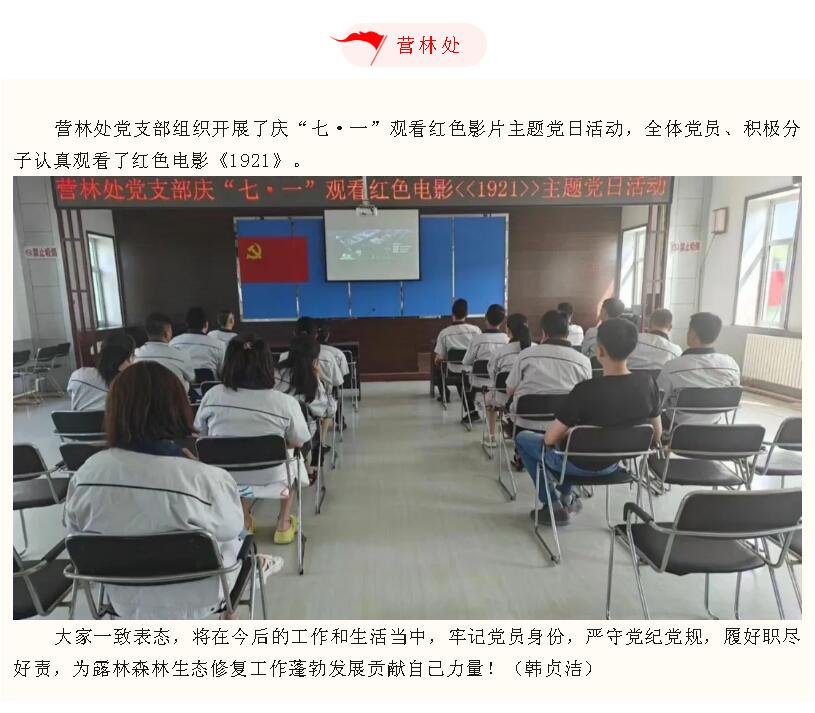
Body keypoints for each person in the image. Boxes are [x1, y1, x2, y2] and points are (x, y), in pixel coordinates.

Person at [64, 361, 281, 619]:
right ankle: (242, 593)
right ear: (176, 409)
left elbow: (75, 533)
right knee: (236, 538)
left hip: (124, 599)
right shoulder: (204, 478)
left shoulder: (86, 475)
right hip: (202, 598)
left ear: (114, 411)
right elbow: (232, 527)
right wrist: (196, 468)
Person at [516, 318, 662, 526]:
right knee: (574, 441)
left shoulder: (585, 390)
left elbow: (549, 439)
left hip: (575, 465)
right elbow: (656, 434)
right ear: (632, 350)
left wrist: (570, 434)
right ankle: (567, 498)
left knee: (524, 439)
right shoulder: (648, 384)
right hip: (614, 464)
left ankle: (553, 504)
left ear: (600, 351)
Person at [195, 334, 312, 545]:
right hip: (272, 475)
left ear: (229, 363)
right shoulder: (284, 402)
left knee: (230, 453)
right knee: (295, 457)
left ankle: (245, 519)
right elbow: (299, 441)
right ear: (267, 365)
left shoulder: (212, 396)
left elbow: (202, 435)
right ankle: (283, 524)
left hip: (224, 478)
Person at [506, 310, 592, 431]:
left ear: (544, 332)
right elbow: (586, 396)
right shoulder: (583, 361)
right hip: (565, 428)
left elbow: (510, 390)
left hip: (525, 425)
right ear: (567, 334)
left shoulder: (525, 355)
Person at [657, 312, 741, 428]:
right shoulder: (731, 365)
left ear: (693, 334)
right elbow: (732, 396)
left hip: (676, 427)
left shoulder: (673, 367)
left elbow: (658, 401)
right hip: (714, 426)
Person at [275, 334, 337, 482]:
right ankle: (310, 468)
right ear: (315, 360)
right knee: (311, 423)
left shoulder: (274, 372)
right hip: (299, 440)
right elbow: (329, 410)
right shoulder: (311, 382)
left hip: (272, 434)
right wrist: (318, 378)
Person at [484, 313, 531, 447]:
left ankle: (492, 437)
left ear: (508, 330)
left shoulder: (500, 352)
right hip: (532, 398)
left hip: (504, 397)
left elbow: (493, 376)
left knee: (488, 397)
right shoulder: (535, 348)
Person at [462, 303, 509, 430]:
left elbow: (466, 361)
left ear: (486, 318)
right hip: (501, 383)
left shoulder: (477, 339)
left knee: (464, 377)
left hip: (479, 382)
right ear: (502, 321)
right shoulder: (506, 339)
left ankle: (472, 411)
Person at [433, 298, 481, 417]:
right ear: (467, 314)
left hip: (454, 370)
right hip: (474, 369)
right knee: (465, 376)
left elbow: (439, 358)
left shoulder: (444, 333)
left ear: (452, 314)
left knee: (440, 369)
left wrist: (440, 361)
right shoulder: (476, 330)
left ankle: (445, 395)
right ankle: (472, 407)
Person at [67, 332, 135, 411]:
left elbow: (71, 393)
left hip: (77, 419)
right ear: (128, 358)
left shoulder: (78, 376)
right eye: (133, 355)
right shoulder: (131, 385)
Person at [133, 312, 196, 392]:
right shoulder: (181, 354)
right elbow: (192, 378)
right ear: (166, 334)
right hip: (174, 398)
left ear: (147, 333)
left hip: (144, 398)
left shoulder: (135, 355)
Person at [280, 316, 344, 391]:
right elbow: (337, 382)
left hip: (289, 397)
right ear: (316, 335)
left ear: (294, 334)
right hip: (323, 396)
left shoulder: (284, 356)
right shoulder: (328, 357)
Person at [170, 307, 226, 379]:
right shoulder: (219, 345)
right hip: (210, 385)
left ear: (186, 324)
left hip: (182, 385)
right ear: (206, 325)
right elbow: (223, 373)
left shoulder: (174, 343)